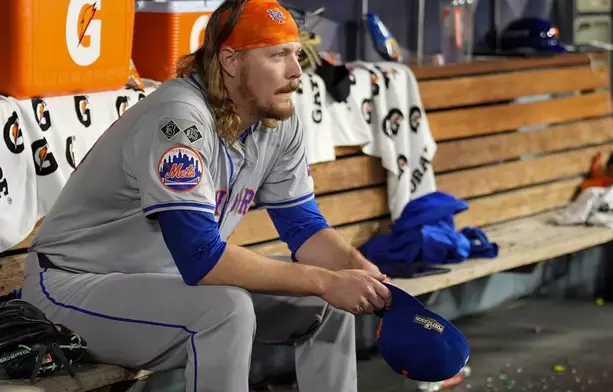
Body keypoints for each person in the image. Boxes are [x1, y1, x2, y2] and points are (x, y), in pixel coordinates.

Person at [20, 1, 391, 391]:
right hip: (71, 288)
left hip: (161, 284)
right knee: (226, 310)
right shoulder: (179, 118)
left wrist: (361, 274)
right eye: (277, 55)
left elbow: (302, 226)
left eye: (295, 55)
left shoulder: (277, 120)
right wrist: (324, 281)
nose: (297, 71)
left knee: (327, 306)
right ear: (231, 61)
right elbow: (201, 258)